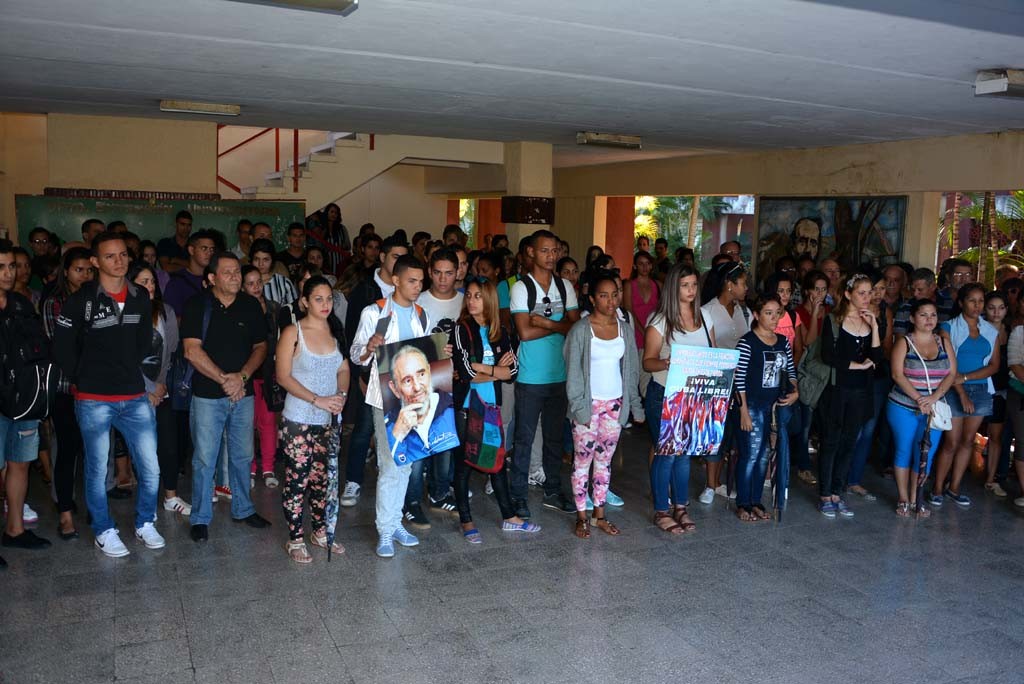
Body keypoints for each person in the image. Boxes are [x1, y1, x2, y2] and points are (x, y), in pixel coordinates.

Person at [53, 232, 165, 557]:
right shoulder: (80, 301)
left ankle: (145, 522)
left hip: (133, 394)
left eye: (123, 255)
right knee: (97, 468)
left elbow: (146, 341)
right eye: (110, 256)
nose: (119, 261)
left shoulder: (140, 296)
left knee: (150, 465)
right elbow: (60, 347)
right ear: (95, 261)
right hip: (93, 398)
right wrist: (82, 377)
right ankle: (103, 529)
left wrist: (130, 368)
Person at [182, 251, 271, 542]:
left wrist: (242, 377)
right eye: (228, 272)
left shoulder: (250, 306)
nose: (235, 277)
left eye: (237, 272)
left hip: (242, 394)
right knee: (205, 458)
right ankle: (200, 517)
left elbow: (260, 346)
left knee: (243, 455)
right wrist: (225, 380)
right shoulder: (198, 305)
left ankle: (244, 509)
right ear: (211, 278)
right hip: (208, 395)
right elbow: (192, 351)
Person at [350, 254, 432, 558]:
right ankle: (385, 528)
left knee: (406, 462)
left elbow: (424, 355)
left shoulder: (421, 314)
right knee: (389, 464)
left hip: (413, 398)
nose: (417, 286)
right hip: (385, 397)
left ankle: (395, 522)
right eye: (412, 280)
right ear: (395, 280)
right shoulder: (376, 312)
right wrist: (369, 347)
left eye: (421, 281)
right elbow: (356, 351)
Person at [449, 278, 538, 543]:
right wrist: (494, 370)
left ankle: (509, 518)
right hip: (467, 407)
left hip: (491, 407)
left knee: (496, 462)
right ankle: (466, 521)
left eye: (478, 296)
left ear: (489, 299)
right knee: (465, 464)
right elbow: (464, 374)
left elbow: (512, 372)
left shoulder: (500, 331)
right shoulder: (461, 329)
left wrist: (482, 368)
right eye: (470, 296)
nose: (472, 300)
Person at [276, 276, 350, 563]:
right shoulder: (293, 332)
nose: (325, 304)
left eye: (329, 298)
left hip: (328, 420)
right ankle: (294, 538)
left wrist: (341, 394)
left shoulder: (335, 331)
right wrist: (317, 399)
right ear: (304, 302)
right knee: (297, 479)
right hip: (298, 419)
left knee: (323, 479)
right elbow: (283, 376)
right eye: (318, 299)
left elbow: (343, 368)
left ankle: (319, 531)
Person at [565, 275, 643, 538]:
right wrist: (578, 408)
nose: (611, 300)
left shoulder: (624, 329)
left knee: (604, 462)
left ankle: (599, 515)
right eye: (603, 295)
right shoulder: (580, 330)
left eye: (615, 294)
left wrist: (634, 405)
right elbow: (573, 372)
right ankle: (581, 517)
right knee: (581, 462)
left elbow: (631, 371)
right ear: (592, 298)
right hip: (587, 406)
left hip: (615, 405)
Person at [509, 229, 580, 517]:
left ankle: (553, 490)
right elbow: (524, 332)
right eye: (545, 251)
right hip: (530, 376)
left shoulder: (565, 287)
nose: (551, 256)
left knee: (553, 438)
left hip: (559, 373)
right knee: (524, 440)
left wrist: (548, 324)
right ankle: (518, 496)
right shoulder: (521, 288)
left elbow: (576, 328)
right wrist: (557, 323)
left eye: (554, 251)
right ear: (531, 253)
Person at [340, 235, 409, 508]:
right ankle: (353, 481)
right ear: (382, 257)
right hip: (369, 372)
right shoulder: (365, 288)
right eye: (395, 257)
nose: (399, 263)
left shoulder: (410, 296)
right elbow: (352, 334)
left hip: (400, 376)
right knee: (363, 427)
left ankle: (398, 489)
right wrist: (359, 371)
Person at [643, 263, 712, 535]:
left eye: (694, 285)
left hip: (694, 396)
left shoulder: (704, 317)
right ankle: (661, 509)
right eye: (685, 285)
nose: (691, 290)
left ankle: (680, 506)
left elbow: (711, 352)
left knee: (684, 455)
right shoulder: (659, 320)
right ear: (674, 287)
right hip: (665, 395)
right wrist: (667, 362)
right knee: (667, 454)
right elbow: (648, 362)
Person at [403, 247, 464, 525]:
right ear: (429, 273)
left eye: (448, 273)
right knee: (416, 444)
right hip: (420, 382)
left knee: (444, 440)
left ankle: (439, 492)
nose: (442, 279)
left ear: (458, 272)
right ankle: (412, 500)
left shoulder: (465, 302)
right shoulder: (419, 301)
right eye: (437, 273)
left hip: (453, 380)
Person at [816, 273, 882, 519]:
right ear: (848, 294)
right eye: (861, 293)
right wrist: (856, 365)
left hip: (860, 391)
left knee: (849, 441)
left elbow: (876, 359)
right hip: (837, 389)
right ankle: (825, 493)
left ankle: (837, 492)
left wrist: (875, 327)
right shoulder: (833, 320)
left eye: (869, 292)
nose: (867, 297)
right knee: (831, 441)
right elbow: (827, 356)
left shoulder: (870, 321)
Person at [0, 241, 50, 558]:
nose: (8, 273)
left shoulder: (20, 303)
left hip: (23, 399)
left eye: (11, 266)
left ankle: (15, 530)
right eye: (1, 267)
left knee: (20, 464)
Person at [929, 283, 999, 508]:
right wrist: (961, 390)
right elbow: (948, 363)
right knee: (951, 441)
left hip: (979, 389)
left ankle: (955, 487)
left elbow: (994, 365)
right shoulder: (948, 327)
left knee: (968, 441)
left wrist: (966, 379)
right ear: (961, 303)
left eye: (981, 301)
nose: (977, 305)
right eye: (972, 300)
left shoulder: (991, 330)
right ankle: (938, 488)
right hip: (951, 388)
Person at [129, 263, 191, 516]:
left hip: (161, 389)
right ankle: (147, 501)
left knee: (168, 445)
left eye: (152, 281)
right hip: (134, 392)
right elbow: (126, 358)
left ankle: (170, 497)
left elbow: (171, 351)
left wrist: (161, 385)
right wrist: (148, 389)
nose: (150, 286)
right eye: (144, 282)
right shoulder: (127, 315)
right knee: (143, 449)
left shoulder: (166, 311)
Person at [41, 247, 93, 539]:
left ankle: (94, 508)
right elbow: (61, 347)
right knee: (67, 451)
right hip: (65, 387)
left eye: (89, 270)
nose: (85, 275)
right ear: (66, 271)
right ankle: (65, 514)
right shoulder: (54, 303)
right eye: (78, 270)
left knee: (94, 452)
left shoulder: (98, 299)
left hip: (96, 389)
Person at [734, 295, 798, 521]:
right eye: (768, 313)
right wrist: (742, 411)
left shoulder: (782, 342)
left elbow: (791, 371)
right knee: (750, 454)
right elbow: (739, 378)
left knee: (764, 456)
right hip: (751, 405)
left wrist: (795, 391)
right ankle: (743, 502)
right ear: (757, 315)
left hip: (774, 407)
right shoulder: (747, 342)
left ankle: (755, 500)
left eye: (776, 313)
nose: (773, 318)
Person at [699, 261, 750, 503]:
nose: (746, 288)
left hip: (739, 380)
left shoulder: (742, 311)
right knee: (714, 432)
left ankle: (720, 481)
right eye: (742, 283)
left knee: (730, 432)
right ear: (730, 285)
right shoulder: (708, 310)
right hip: (717, 379)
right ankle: (710, 484)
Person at [846, 271, 894, 501]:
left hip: (877, 376)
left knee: (867, 429)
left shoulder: (884, 312)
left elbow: (884, 349)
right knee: (850, 429)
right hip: (852, 376)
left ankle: (854, 479)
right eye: (872, 289)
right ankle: (839, 476)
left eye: (882, 289)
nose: (876, 294)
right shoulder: (846, 315)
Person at [241, 264, 282, 489]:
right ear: (242, 286)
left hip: (269, 373)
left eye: (259, 282)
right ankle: (250, 468)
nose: (256, 287)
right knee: (247, 424)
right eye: (251, 283)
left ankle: (267, 467)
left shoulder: (274, 308)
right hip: (246, 373)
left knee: (268, 422)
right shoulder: (240, 308)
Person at [982, 291, 1011, 497]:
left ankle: (991, 479)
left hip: (1001, 391)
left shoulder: (1013, 331)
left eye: (1001, 308)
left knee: (996, 436)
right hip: (978, 387)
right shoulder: (978, 330)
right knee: (961, 437)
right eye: (992, 307)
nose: (996, 312)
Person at [163, 229, 216, 318]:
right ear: (191, 250)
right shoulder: (177, 282)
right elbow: (172, 320)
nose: (209, 253)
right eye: (204, 248)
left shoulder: (216, 279)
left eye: (211, 249)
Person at [894, 268, 954, 336]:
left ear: (933, 286)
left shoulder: (949, 305)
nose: (915, 294)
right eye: (913, 289)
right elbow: (899, 339)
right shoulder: (905, 307)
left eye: (920, 290)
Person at [623, 251, 659, 350]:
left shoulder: (658, 285)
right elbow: (629, 311)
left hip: (654, 331)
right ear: (635, 266)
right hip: (635, 332)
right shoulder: (629, 285)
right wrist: (644, 332)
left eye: (647, 263)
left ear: (651, 266)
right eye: (641, 264)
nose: (645, 267)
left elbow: (661, 311)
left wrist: (651, 333)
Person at [307, 203, 351, 278]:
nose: (334, 214)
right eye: (331, 212)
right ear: (326, 213)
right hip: (326, 262)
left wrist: (340, 247)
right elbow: (319, 244)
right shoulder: (322, 228)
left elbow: (348, 245)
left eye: (336, 213)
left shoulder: (342, 228)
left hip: (340, 261)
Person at [250, 238, 297, 307]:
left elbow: (294, 311)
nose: (260, 264)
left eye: (265, 260)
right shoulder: (243, 284)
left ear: (272, 261)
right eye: (256, 259)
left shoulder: (284, 283)